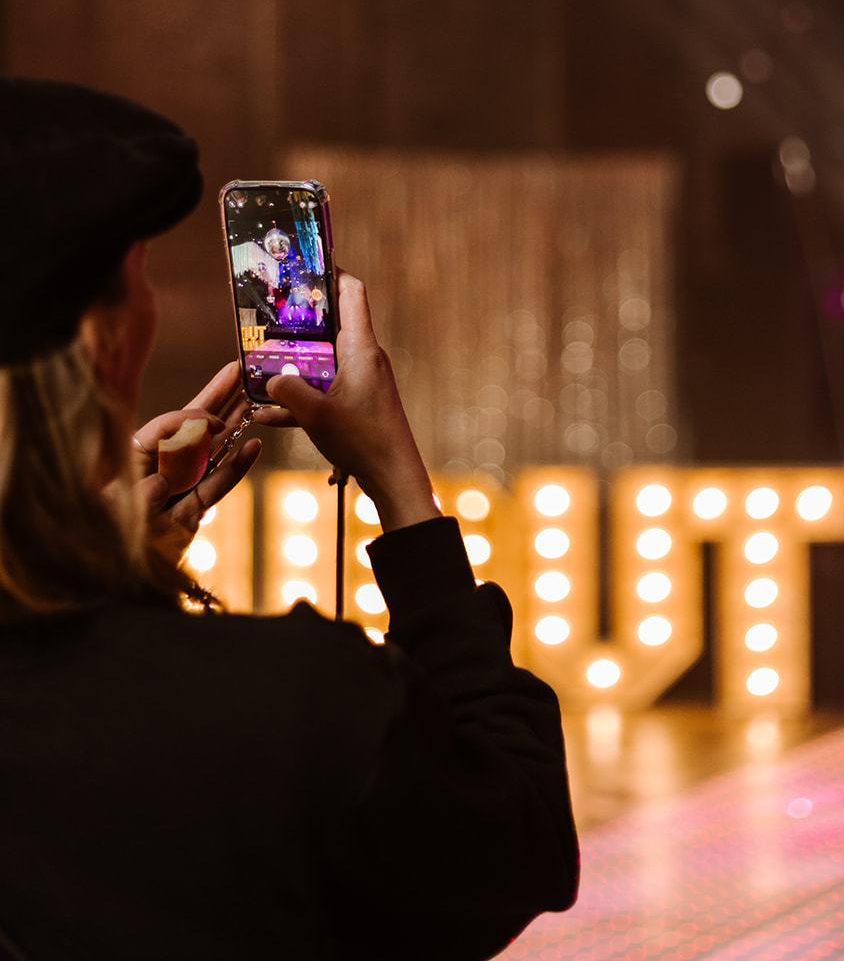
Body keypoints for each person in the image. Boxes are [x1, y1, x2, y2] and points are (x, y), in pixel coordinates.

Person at [0, 76, 579, 961]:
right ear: (105, 341)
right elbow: (521, 838)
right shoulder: (294, 704)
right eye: (140, 273)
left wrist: (107, 563)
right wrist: (401, 489)